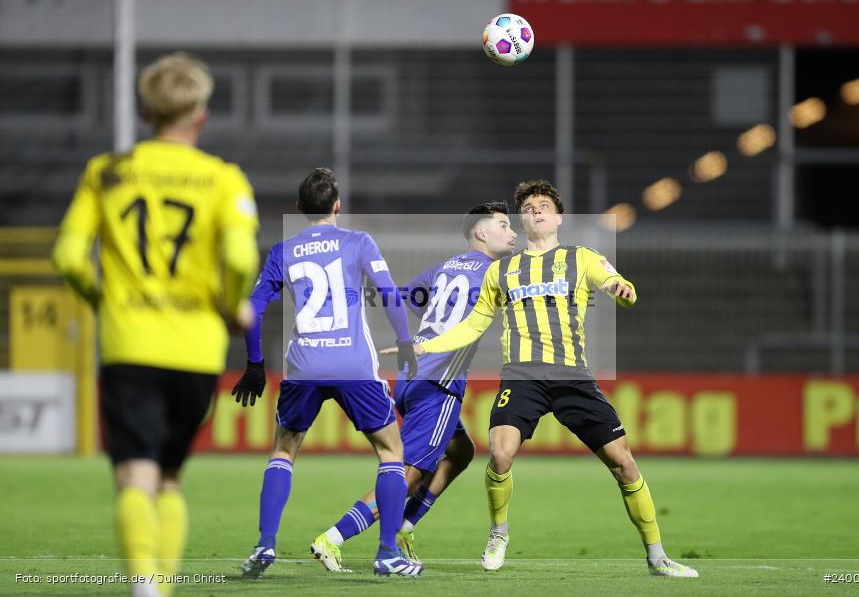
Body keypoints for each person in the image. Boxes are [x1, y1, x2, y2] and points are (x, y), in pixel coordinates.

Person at [52, 52, 260, 597]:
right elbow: (240, 259)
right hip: (196, 350)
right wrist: (232, 303)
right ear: (200, 114)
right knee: (170, 477)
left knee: (133, 476)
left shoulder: (107, 173)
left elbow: (69, 257)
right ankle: (158, 589)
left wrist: (102, 299)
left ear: (146, 111)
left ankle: (145, 585)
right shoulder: (223, 179)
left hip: (129, 345)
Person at [415, 180, 699, 578]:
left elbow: (619, 284)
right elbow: (477, 322)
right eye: (529, 207)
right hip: (522, 377)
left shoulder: (581, 257)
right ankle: (499, 534)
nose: (536, 211)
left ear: (559, 217)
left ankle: (657, 556)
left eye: (544, 205)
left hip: (572, 378)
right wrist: (431, 346)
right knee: (499, 453)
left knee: (624, 464)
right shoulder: (503, 270)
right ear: (522, 219)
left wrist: (623, 290)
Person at [232, 167, 422, 578]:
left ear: (300, 208)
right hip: (353, 363)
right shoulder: (358, 242)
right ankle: (388, 554)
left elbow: (255, 307)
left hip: (305, 365)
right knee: (391, 452)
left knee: (284, 450)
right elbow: (388, 293)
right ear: (338, 206)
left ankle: (265, 545)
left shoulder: (283, 251)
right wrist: (406, 342)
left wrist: (253, 363)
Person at [309, 202, 517, 572]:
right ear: (481, 233)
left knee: (461, 451)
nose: (512, 232)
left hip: (410, 378)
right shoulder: (496, 273)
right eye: (503, 225)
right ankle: (334, 538)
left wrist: (434, 325)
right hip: (439, 383)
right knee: (409, 474)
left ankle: (404, 525)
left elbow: (410, 293)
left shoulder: (449, 266)